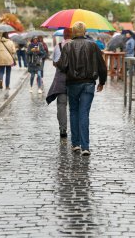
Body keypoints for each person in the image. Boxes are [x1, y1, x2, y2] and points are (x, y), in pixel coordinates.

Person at [56, 21, 107, 156]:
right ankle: (85, 147)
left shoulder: (68, 46)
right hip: (88, 83)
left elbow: (62, 66)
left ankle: (75, 144)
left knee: (73, 111)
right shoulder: (93, 45)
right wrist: (102, 81)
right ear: (85, 32)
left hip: (72, 83)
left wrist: (57, 63)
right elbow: (102, 66)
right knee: (84, 113)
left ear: (73, 32)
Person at [46, 28, 72, 138]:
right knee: (75, 106)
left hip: (61, 79)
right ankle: (76, 130)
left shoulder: (58, 46)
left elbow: (54, 63)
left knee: (61, 104)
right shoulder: (77, 45)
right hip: (75, 79)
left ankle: (63, 129)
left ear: (64, 35)